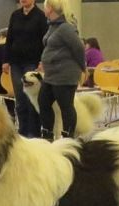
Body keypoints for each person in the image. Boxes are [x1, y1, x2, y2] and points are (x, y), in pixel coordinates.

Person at [37, 0, 85, 140]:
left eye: (45, 6)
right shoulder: (52, 26)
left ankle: (68, 137)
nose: (44, 8)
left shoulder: (65, 28)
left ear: (50, 8)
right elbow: (52, 48)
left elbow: (79, 48)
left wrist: (83, 68)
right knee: (43, 101)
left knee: (66, 106)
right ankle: (47, 135)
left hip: (64, 74)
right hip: (51, 75)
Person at [4, 0, 47, 138]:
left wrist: (42, 60)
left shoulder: (40, 16)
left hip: (32, 62)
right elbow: (9, 38)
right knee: (20, 98)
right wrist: (6, 60)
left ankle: (33, 132)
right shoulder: (15, 15)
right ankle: (22, 131)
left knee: (31, 99)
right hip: (15, 63)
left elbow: (45, 40)